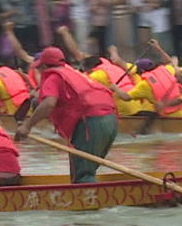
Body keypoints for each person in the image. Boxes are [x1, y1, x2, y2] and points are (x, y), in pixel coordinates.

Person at [14, 46, 118, 184]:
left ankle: (91, 202)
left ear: (44, 66)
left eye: (39, 68)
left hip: (92, 123)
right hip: (112, 120)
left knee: (82, 176)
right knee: (87, 170)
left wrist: (27, 126)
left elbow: (49, 103)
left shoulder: (52, 77)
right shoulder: (72, 72)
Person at [106, 39, 182, 117]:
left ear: (141, 70)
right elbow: (170, 62)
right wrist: (158, 48)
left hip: (157, 116)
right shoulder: (165, 70)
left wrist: (115, 88)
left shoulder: (143, 84)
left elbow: (125, 97)